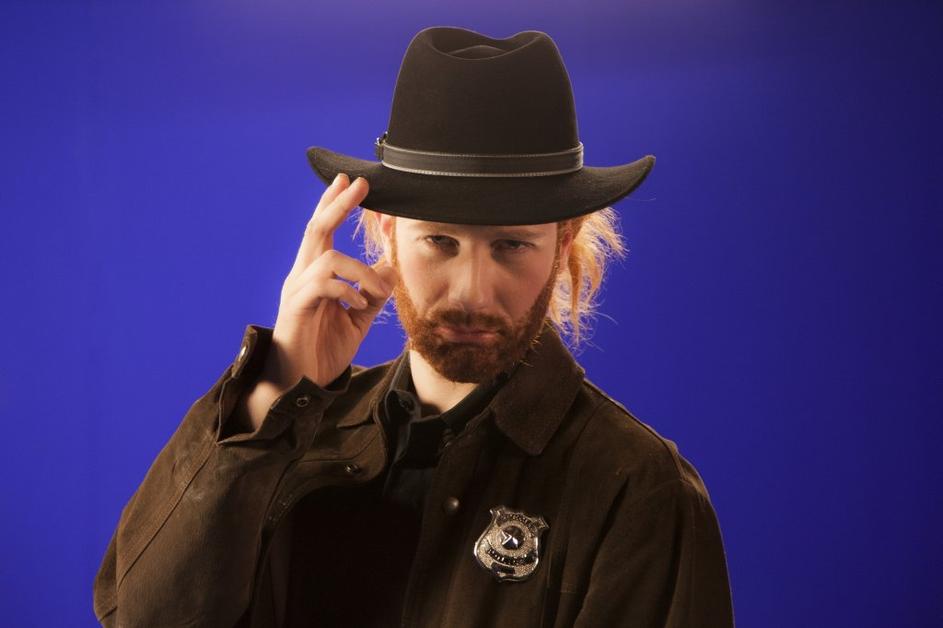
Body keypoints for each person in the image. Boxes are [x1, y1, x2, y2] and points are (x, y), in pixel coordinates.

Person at [93, 26, 735, 627]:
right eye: (440, 242)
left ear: (563, 242)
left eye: (512, 245)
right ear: (384, 230)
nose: (472, 291)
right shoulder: (288, 433)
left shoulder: (638, 488)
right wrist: (274, 393)